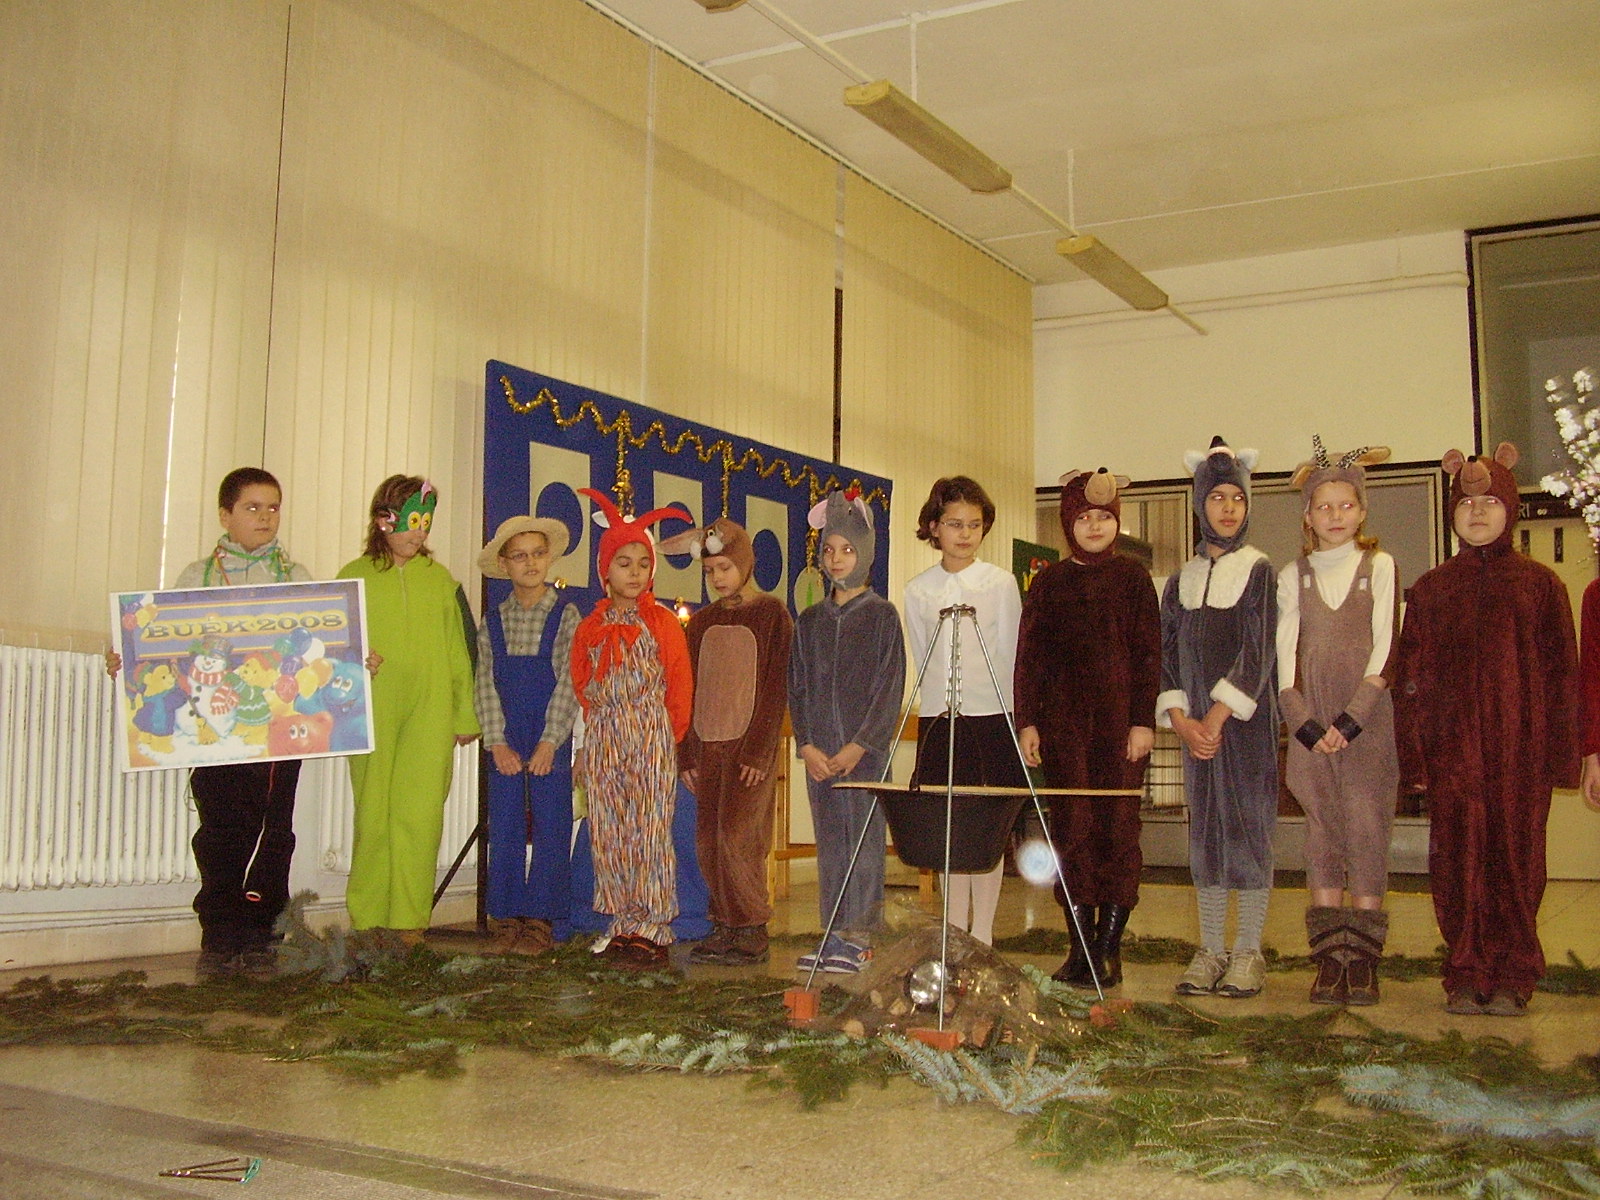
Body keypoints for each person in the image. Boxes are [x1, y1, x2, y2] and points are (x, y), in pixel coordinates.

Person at [1392, 443, 1579, 1016]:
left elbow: (1562, 675)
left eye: (1491, 501)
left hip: (1521, 756)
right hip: (1452, 759)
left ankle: (1514, 973)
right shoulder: (1430, 590)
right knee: (1456, 864)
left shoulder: (1540, 586)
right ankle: (1466, 970)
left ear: (1511, 509)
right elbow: (1409, 679)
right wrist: (1416, 758)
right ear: (1452, 512)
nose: (1477, 512)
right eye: (1467, 503)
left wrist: (1562, 757)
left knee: (1517, 862)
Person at [109, 467, 312, 980]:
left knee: (273, 829)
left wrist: (356, 656)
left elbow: (319, 648)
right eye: (252, 507)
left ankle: (263, 934)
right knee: (220, 829)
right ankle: (220, 934)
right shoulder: (194, 577)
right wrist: (127, 658)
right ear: (225, 515)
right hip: (211, 731)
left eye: (273, 507)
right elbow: (161, 645)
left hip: (276, 731)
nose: (265, 517)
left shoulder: (298, 577)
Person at [1016, 468, 1160, 987]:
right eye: (1083, 518)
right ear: (1067, 524)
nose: (1095, 526)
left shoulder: (1134, 580)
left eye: (1103, 516)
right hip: (1063, 731)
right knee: (1071, 832)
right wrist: (1028, 721)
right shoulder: (1049, 583)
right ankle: (1080, 948)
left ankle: (1109, 948)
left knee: (1118, 831)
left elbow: (1149, 655)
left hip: (1120, 731)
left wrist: (1142, 721)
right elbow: (1029, 659)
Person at [1277, 438, 1400, 1006]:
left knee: (1367, 829)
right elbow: (1284, 659)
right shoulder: (1293, 575)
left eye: (1345, 505)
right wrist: (1304, 724)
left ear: (1362, 511)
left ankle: (1364, 961)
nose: (1334, 515)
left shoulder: (1380, 567)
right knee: (1323, 833)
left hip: (1365, 724)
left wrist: (1351, 720)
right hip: (1311, 729)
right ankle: (1329, 960)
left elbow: (1386, 648)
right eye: (1323, 507)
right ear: (1307, 516)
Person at [1158, 436, 1278, 999]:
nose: (1228, 508)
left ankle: (1248, 951)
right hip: (1195, 734)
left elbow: (1258, 651)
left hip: (1244, 731)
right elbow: (1165, 657)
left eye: (1237, 498)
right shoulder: (1179, 580)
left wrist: (1219, 716)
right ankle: (1210, 949)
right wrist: (1182, 721)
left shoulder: (1259, 570)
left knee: (1248, 831)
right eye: (1216, 497)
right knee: (1205, 835)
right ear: (1199, 504)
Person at [337, 476, 480, 948]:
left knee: (420, 816)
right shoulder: (352, 577)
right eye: (411, 521)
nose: (419, 532)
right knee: (373, 813)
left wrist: (464, 714)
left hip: (430, 711)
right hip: (370, 707)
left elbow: (459, 651)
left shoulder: (440, 581)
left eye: (425, 523)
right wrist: (355, 661)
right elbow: (328, 648)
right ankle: (367, 919)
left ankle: (409, 920)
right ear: (384, 520)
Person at [569, 488, 694, 970]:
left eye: (643, 563)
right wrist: (591, 742)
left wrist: (667, 739)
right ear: (606, 570)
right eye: (624, 563)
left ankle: (653, 925)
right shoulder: (590, 627)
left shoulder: (662, 623)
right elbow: (582, 684)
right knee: (610, 830)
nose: (635, 572)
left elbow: (679, 683)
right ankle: (622, 921)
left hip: (650, 733)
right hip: (605, 733)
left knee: (649, 830)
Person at [787, 487, 905, 974]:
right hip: (821, 758)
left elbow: (889, 689)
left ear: (866, 554)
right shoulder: (810, 621)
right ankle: (832, 933)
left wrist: (861, 745)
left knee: (864, 842)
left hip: (864, 756)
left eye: (848, 549)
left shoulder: (882, 616)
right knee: (832, 842)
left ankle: (860, 937)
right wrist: (807, 745)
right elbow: (797, 687)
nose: (837, 559)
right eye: (830, 550)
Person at [903, 475, 1025, 947]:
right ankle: (953, 933)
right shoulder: (918, 590)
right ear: (935, 527)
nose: (965, 533)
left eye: (974, 524)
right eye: (955, 524)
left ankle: (984, 932)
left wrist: (1013, 719)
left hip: (991, 719)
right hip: (940, 720)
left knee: (986, 829)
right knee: (949, 828)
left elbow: (1011, 654)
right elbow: (923, 654)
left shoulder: (1000, 583)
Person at [668, 518, 793, 966]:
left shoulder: (772, 615)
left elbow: (776, 687)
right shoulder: (701, 623)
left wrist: (760, 750)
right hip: (707, 747)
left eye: (725, 567)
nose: (718, 578)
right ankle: (724, 924)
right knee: (708, 840)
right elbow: (686, 690)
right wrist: (686, 754)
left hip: (747, 750)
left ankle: (751, 927)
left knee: (738, 838)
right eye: (709, 571)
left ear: (744, 564)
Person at [473, 515, 582, 955]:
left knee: (552, 821)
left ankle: (541, 917)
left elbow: (570, 681)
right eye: (519, 556)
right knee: (505, 823)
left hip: (548, 733)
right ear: (504, 564)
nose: (530, 563)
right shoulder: (493, 620)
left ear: (549, 558)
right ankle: (506, 913)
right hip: (505, 734)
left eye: (538, 554)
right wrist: (495, 740)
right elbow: (484, 681)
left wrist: (550, 741)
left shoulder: (565, 614)